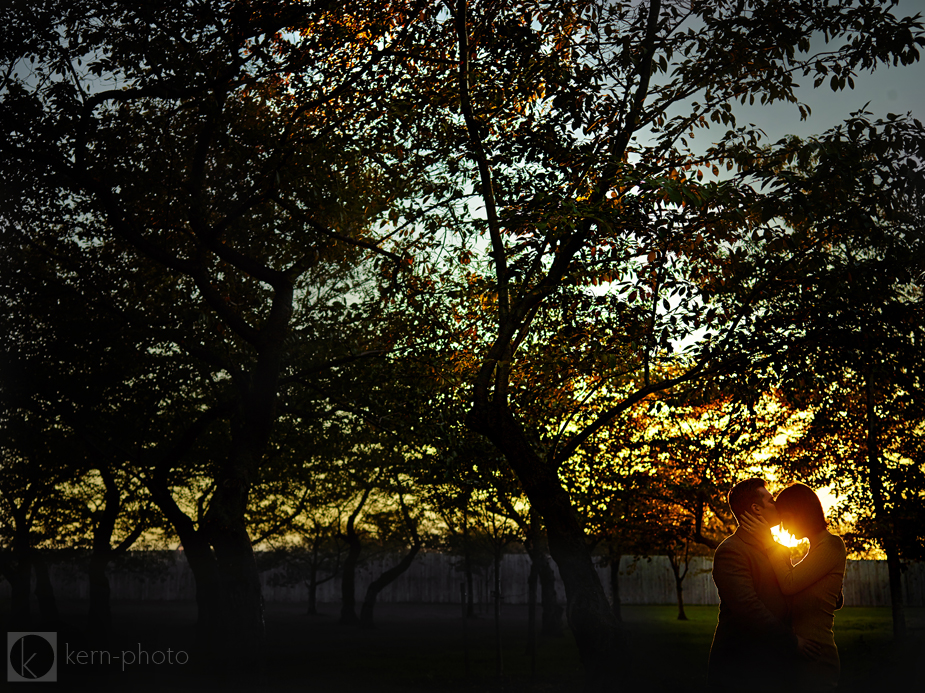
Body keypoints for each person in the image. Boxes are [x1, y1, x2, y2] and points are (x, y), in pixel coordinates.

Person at [741, 482, 847, 692]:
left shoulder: (832, 545)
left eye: (786, 518)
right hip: (797, 657)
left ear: (801, 513)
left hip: (817, 657)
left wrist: (768, 541)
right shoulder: (813, 552)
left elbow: (789, 585)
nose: (784, 527)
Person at [708, 478, 809, 692]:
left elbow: (791, 590)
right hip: (741, 666)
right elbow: (748, 608)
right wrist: (792, 642)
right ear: (756, 508)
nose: (777, 505)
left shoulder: (779, 549)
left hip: (777, 666)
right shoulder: (732, 551)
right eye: (771, 501)